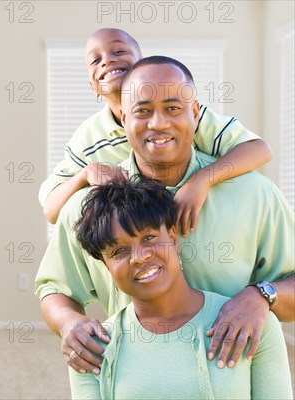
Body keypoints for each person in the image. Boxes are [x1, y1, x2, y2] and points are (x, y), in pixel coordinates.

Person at [35, 55, 295, 376]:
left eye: (173, 108)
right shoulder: (88, 206)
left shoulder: (256, 194)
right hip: (137, 380)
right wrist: (69, 322)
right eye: (142, 111)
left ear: (195, 112)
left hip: (231, 380)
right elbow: (54, 289)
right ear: (123, 117)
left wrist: (262, 295)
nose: (158, 123)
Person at [69, 177, 293, 399]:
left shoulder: (250, 322)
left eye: (149, 237)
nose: (139, 257)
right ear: (107, 267)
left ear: (173, 238)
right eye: (118, 251)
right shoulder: (91, 349)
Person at [40, 28, 272, 240]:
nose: (108, 60)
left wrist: (201, 180)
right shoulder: (89, 138)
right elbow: (51, 211)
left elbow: (259, 150)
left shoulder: (186, 116)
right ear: (93, 86)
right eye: (95, 60)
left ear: (142, 65)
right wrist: (85, 174)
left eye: (119, 51)